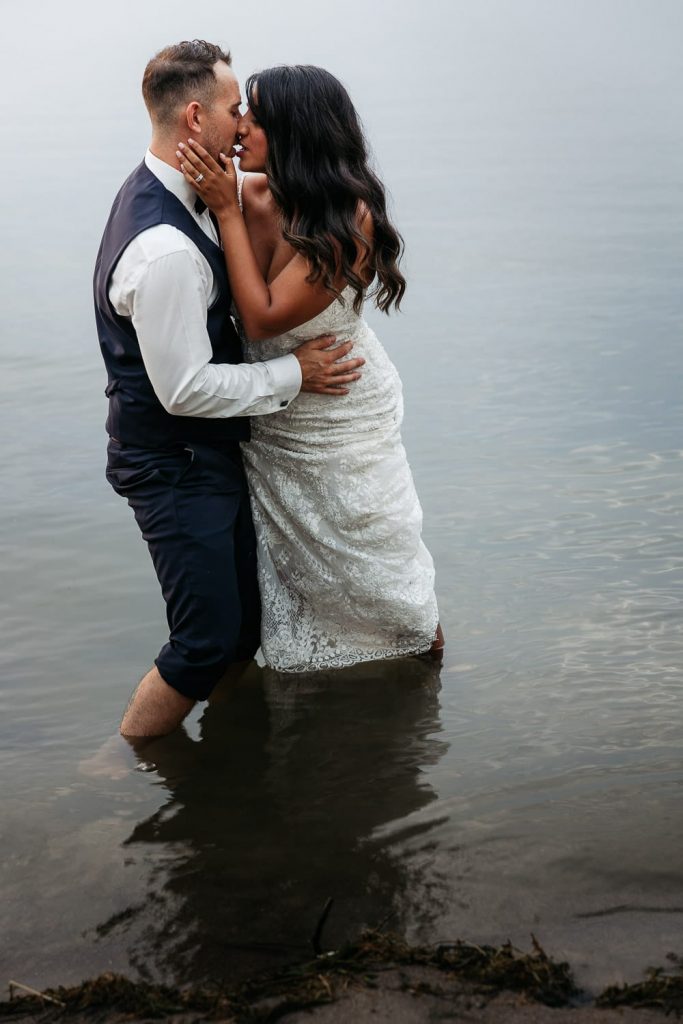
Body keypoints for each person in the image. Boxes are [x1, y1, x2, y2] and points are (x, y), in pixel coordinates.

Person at [93, 42, 366, 738]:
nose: (242, 121)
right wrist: (295, 373)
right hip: (173, 464)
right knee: (202, 643)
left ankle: (229, 761)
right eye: (233, 107)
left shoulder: (180, 194)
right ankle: (125, 759)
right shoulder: (165, 249)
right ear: (196, 117)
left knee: (243, 627)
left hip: (205, 454)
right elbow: (184, 389)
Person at [176, 64, 443, 673]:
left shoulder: (348, 220)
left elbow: (263, 318)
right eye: (241, 111)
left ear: (295, 130)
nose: (240, 126)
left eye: (255, 116)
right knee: (292, 575)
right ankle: (309, 697)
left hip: (340, 408)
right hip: (271, 412)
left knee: (382, 567)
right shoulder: (243, 193)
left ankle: (425, 676)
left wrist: (225, 214)